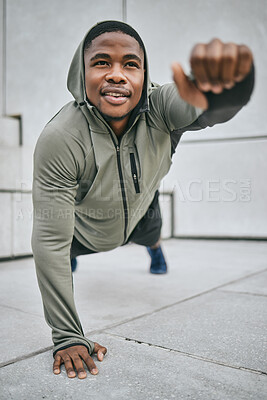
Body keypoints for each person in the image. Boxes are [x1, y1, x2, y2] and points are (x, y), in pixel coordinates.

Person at [32, 20, 254, 379]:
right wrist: (68, 336)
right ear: (80, 71)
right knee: (64, 253)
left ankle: (153, 248)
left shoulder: (162, 107)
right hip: (84, 228)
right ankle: (79, 257)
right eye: (102, 62)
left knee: (152, 234)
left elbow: (204, 106)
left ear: (143, 72)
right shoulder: (60, 138)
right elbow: (49, 239)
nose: (117, 75)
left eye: (130, 64)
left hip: (141, 210)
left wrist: (229, 88)